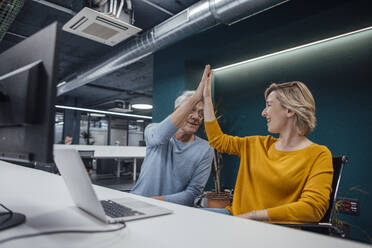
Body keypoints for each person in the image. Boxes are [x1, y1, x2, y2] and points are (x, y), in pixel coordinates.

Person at [201, 65, 333, 223]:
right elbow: (218, 140)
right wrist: (207, 100)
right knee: (188, 221)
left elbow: (312, 208)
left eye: (269, 105)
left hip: (272, 231)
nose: (264, 113)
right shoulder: (256, 144)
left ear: (290, 111)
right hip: (235, 220)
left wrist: (254, 216)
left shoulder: (319, 155)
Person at [131, 66, 214, 207]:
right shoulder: (153, 130)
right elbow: (159, 137)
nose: (196, 117)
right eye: (192, 110)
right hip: (136, 201)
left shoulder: (206, 149)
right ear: (177, 111)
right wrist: (195, 97)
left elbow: (193, 193)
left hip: (171, 210)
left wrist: (155, 202)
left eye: (201, 113)